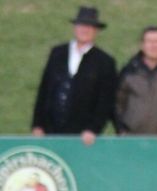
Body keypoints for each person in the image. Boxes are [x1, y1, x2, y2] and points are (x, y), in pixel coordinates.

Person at [30, 6, 118, 147]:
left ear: (96, 31)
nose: (85, 29)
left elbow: (105, 101)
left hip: (82, 135)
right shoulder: (57, 53)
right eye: (82, 25)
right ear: (75, 27)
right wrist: (37, 124)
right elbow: (44, 89)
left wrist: (93, 129)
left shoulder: (105, 61)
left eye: (90, 26)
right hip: (50, 130)